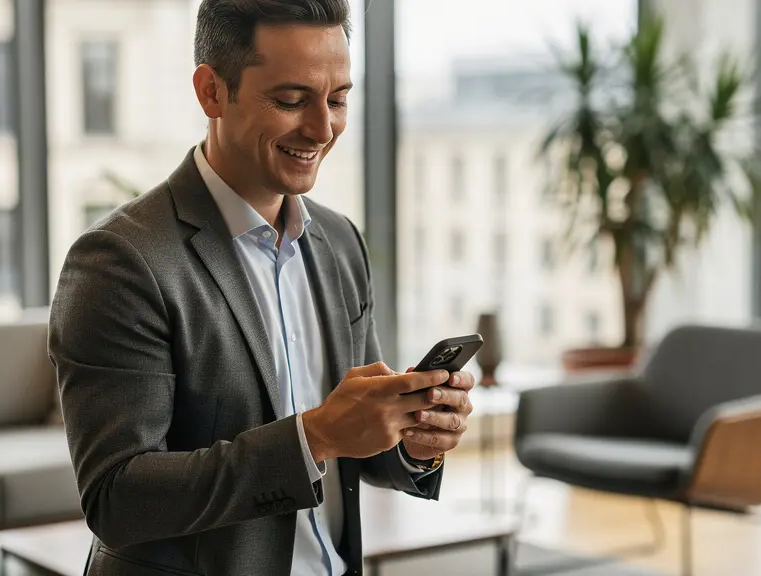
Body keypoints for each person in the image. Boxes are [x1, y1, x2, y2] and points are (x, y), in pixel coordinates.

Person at [47, 1, 476, 574]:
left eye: (339, 99)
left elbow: (356, 446)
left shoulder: (340, 242)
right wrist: (315, 436)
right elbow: (119, 498)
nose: (322, 130)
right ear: (211, 92)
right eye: (291, 100)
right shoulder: (120, 262)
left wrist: (413, 442)